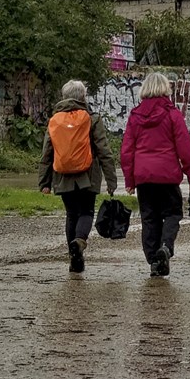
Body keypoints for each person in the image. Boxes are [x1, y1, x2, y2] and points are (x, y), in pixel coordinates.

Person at [120, 71, 190, 276]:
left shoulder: (135, 116)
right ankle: (165, 246)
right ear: (165, 89)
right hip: (167, 175)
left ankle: (153, 260)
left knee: (149, 218)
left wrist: (130, 180)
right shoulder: (173, 114)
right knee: (173, 213)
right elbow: (185, 150)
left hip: (144, 177)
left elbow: (127, 150)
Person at [37, 78, 121, 273]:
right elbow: (103, 150)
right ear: (83, 96)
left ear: (64, 97)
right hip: (88, 176)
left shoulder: (55, 120)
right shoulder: (92, 118)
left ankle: (74, 258)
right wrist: (111, 179)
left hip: (62, 176)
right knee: (86, 212)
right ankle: (80, 241)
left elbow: (46, 153)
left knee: (71, 214)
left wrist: (44, 182)